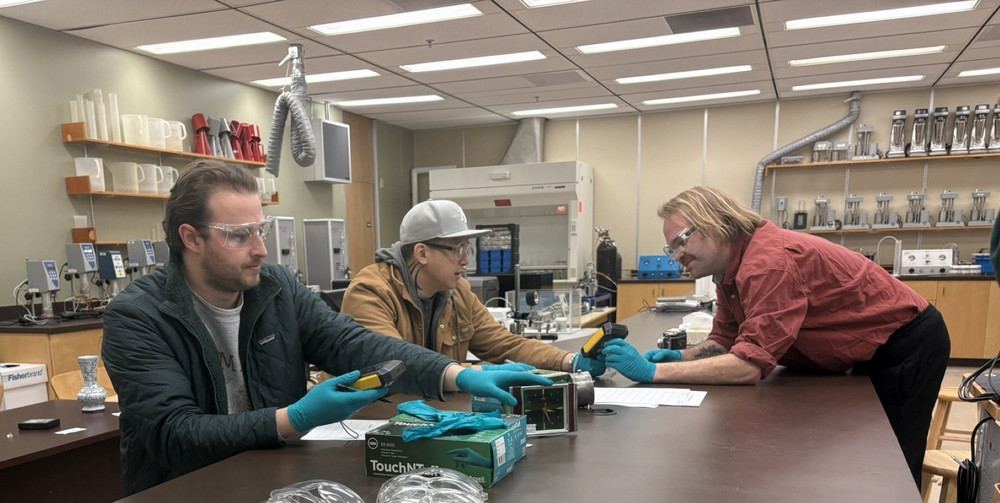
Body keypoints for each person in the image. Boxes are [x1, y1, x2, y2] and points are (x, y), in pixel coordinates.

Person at [101, 161, 551, 495]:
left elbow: (351, 343)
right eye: (239, 235)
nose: (261, 249)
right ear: (190, 238)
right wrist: (294, 418)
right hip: (188, 490)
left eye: (262, 230)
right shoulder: (138, 317)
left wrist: (455, 375)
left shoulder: (274, 288)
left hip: (272, 482)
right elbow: (175, 436)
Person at [602, 186, 949, 486]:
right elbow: (725, 338)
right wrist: (680, 358)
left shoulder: (767, 263)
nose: (677, 256)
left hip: (906, 342)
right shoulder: (729, 271)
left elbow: (748, 365)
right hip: (868, 346)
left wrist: (654, 373)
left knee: (891, 463)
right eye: (670, 249)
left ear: (714, 223)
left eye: (680, 241)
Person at [341, 199, 604, 377]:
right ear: (422, 253)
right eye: (458, 249)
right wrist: (473, 374)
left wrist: (569, 361)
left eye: (467, 249)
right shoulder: (371, 291)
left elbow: (505, 345)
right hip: (364, 427)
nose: (466, 260)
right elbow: (396, 364)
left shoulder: (458, 293)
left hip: (427, 413)